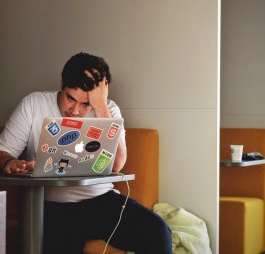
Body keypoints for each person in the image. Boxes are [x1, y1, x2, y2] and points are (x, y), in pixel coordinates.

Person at [0, 52, 172, 254]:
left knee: (158, 232)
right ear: (62, 84)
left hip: (100, 202)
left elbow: (117, 165)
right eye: (70, 99)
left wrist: (100, 107)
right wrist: (9, 162)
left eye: (85, 104)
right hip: (48, 206)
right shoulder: (34, 104)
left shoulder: (109, 110)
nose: (75, 110)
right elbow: (3, 152)